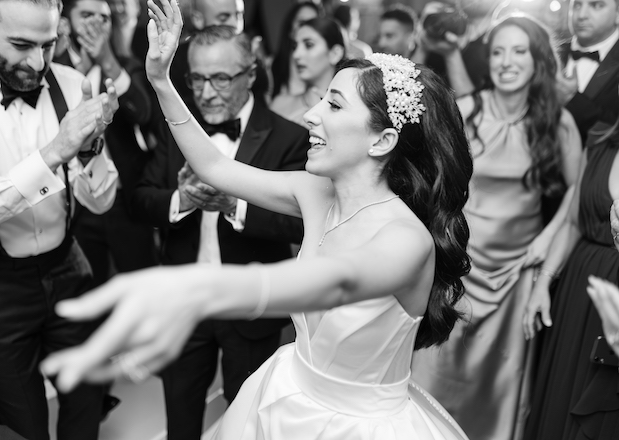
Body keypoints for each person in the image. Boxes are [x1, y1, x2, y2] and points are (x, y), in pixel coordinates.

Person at [42, 1, 475, 439]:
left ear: (382, 140)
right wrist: (160, 80)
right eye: (322, 98)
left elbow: (339, 280)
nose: (311, 114)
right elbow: (215, 167)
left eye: (335, 106)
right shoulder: (315, 192)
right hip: (286, 395)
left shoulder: (406, 239)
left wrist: (198, 290)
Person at [130, 25, 308, 440]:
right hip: (184, 301)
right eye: (195, 79)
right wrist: (182, 199)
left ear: (251, 74)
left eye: (220, 79)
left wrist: (235, 204)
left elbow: (302, 222)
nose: (205, 92)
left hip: (250, 304)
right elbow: (139, 200)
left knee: (247, 421)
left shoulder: (290, 137)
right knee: (180, 416)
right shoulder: (177, 127)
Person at [411, 15, 582, 440]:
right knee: (434, 377)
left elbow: (582, 192)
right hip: (458, 268)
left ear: (538, 60)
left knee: (499, 392)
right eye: (498, 51)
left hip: (516, 275)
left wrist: (547, 234)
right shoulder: (466, 111)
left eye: (519, 51)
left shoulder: (556, 123)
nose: (507, 61)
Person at [0, 0, 120, 438]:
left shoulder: (70, 84)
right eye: (20, 44)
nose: (37, 63)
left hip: (68, 264)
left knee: (88, 400)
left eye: (49, 45)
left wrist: (90, 153)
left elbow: (101, 204)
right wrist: (53, 154)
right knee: (24, 424)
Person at [522, 117, 619, 438]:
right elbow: (574, 222)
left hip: (614, 303)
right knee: (562, 394)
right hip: (579, 289)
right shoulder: (600, 140)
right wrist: (544, 282)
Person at [56, 0, 157, 290]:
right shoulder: (54, 72)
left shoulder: (127, 65)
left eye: (104, 17)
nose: (96, 24)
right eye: (86, 15)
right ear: (67, 22)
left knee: (141, 284)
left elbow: (143, 112)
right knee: (87, 286)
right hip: (75, 202)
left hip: (126, 199)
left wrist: (107, 60)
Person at [557, 0, 619, 143]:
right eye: (577, 5)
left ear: (617, 13)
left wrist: (571, 98)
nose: (582, 15)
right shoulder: (549, 54)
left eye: (596, 5)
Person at [270, 17, 345, 128]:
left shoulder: (348, 112)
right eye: (295, 46)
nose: (296, 55)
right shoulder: (279, 105)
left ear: (335, 53)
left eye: (309, 45)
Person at [270, 1, 321, 100]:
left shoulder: (324, 69)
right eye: (302, 23)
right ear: (290, 29)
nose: (307, 29)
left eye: (313, 24)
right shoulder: (271, 67)